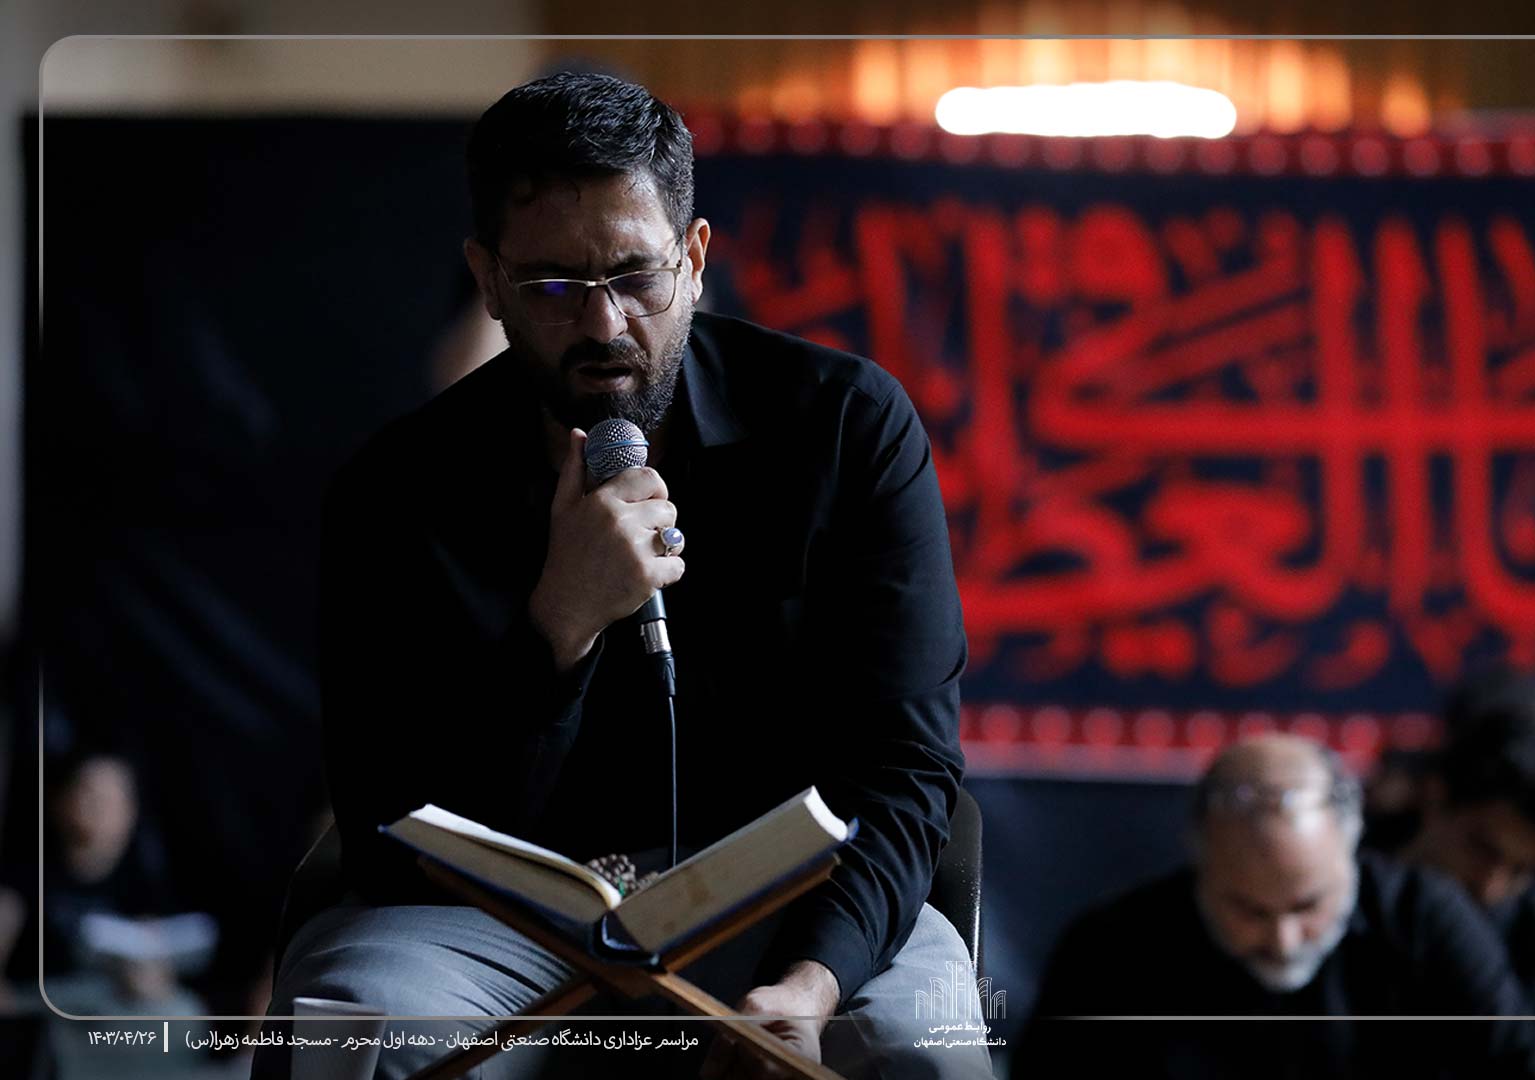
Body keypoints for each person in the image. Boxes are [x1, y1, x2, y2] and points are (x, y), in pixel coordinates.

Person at [257, 72, 988, 1080]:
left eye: (636, 277)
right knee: (356, 1034)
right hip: (490, 930)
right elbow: (389, 834)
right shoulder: (395, 489)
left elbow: (905, 767)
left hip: (794, 910)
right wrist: (558, 624)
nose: (602, 325)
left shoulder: (846, 429)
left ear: (694, 258)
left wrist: (811, 984)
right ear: (488, 280)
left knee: (914, 1048)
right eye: (553, 285)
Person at [1016, 734, 1535, 1079]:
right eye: (1249, 910)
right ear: (1203, 864)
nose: (1284, 940)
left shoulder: (1425, 920)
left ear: (1351, 850)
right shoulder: (1111, 949)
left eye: (1308, 905)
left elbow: (1519, 1065)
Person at [1397, 671, 1535, 1080]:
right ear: (1436, 798)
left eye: (1520, 870)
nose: (1492, 885)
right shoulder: (1343, 906)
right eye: (1483, 849)